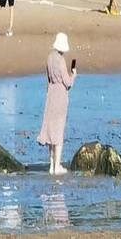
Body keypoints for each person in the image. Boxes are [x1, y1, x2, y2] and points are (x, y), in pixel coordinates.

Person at [37, 33, 76, 175]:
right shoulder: (61, 60)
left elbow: (48, 77)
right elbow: (68, 83)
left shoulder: (49, 57)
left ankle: (51, 165)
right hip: (60, 94)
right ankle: (57, 166)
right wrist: (74, 75)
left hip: (51, 93)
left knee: (51, 130)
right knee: (58, 131)